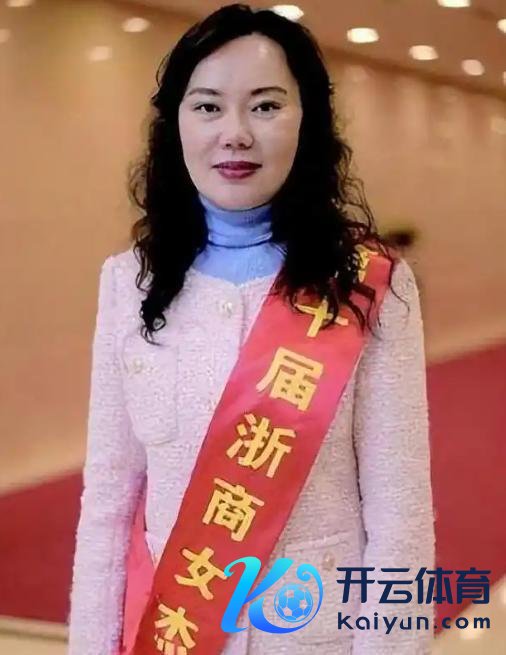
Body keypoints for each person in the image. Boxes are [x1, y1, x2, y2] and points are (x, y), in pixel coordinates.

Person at [67, 4, 435, 655]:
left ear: (307, 120)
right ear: (176, 123)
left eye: (265, 106)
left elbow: (400, 516)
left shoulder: (368, 284)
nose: (235, 134)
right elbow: (108, 507)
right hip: (175, 630)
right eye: (208, 107)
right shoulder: (129, 283)